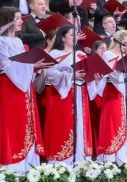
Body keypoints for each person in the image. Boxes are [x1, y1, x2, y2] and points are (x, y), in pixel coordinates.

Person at [0, 7, 45, 172]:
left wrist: (34, 67)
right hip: (10, 85)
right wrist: (32, 66)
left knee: (27, 121)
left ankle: (29, 165)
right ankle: (12, 166)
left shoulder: (19, 41)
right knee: (12, 122)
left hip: (24, 84)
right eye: (18, 18)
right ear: (8, 20)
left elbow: (23, 63)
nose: (21, 21)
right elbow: (7, 65)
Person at [36, 25, 92, 163]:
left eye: (76, 35)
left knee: (80, 124)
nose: (75, 37)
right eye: (72, 35)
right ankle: (61, 161)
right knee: (63, 125)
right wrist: (72, 75)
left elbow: (88, 73)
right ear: (62, 37)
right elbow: (50, 74)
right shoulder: (55, 53)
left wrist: (95, 76)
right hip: (63, 95)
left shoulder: (81, 54)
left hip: (80, 93)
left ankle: (81, 159)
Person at [97, 30, 127, 161]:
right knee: (113, 123)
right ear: (117, 41)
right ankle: (111, 158)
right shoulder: (108, 54)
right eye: (125, 44)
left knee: (125, 123)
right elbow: (114, 76)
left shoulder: (125, 57)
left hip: (124, 94)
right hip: (113, 93)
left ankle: (124, 158)